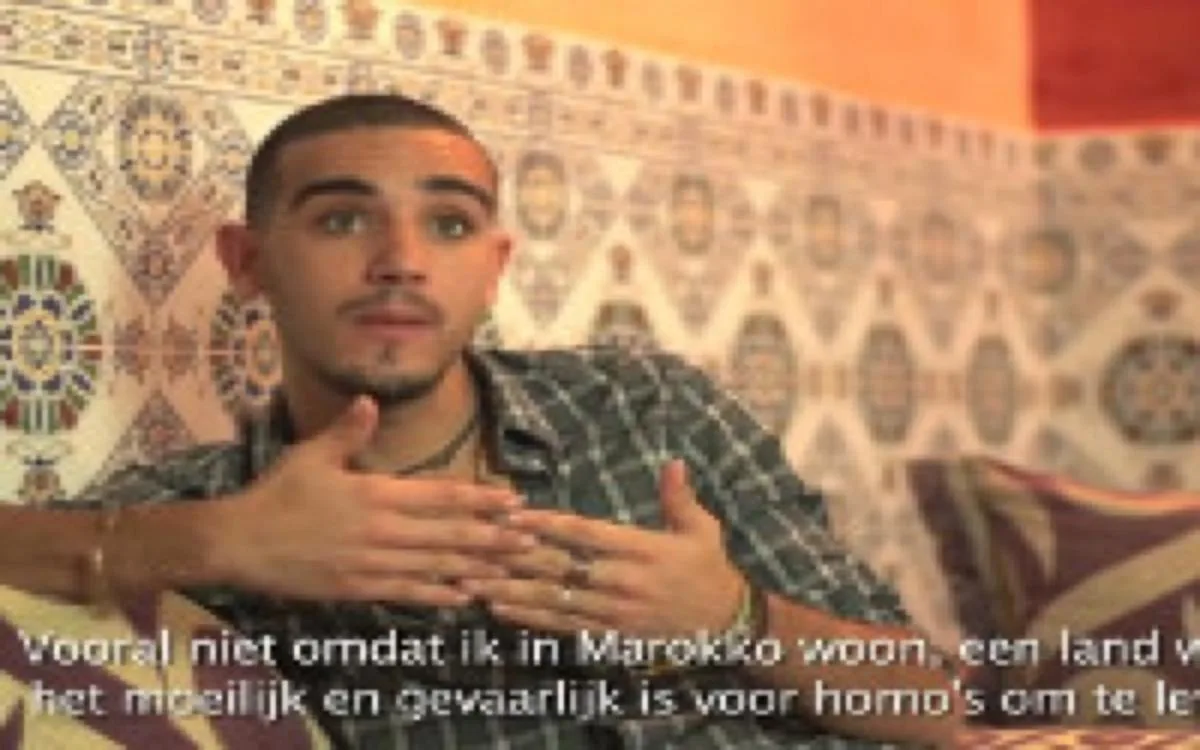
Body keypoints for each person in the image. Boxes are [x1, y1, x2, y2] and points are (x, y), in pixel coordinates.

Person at [1, 94, 962, 748]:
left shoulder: (650, 408)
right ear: (248, 262)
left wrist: (735, 618)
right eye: (342, 220)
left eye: (451, 224)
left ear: (494, 267)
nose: (402, 260)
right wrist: (219, 542)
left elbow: (935, 706)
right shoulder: (209, 509)